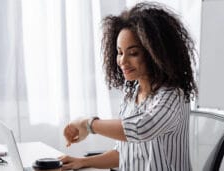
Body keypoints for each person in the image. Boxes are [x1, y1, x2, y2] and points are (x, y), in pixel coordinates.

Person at [59, 2, 197, 171]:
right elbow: (126, 154)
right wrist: (82, 162)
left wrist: (88, 124)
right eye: (120, 52)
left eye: (133, 53)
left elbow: (141, 129)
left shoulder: (173, 95)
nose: (122, 61)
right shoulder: (133, 93)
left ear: (156, 53)